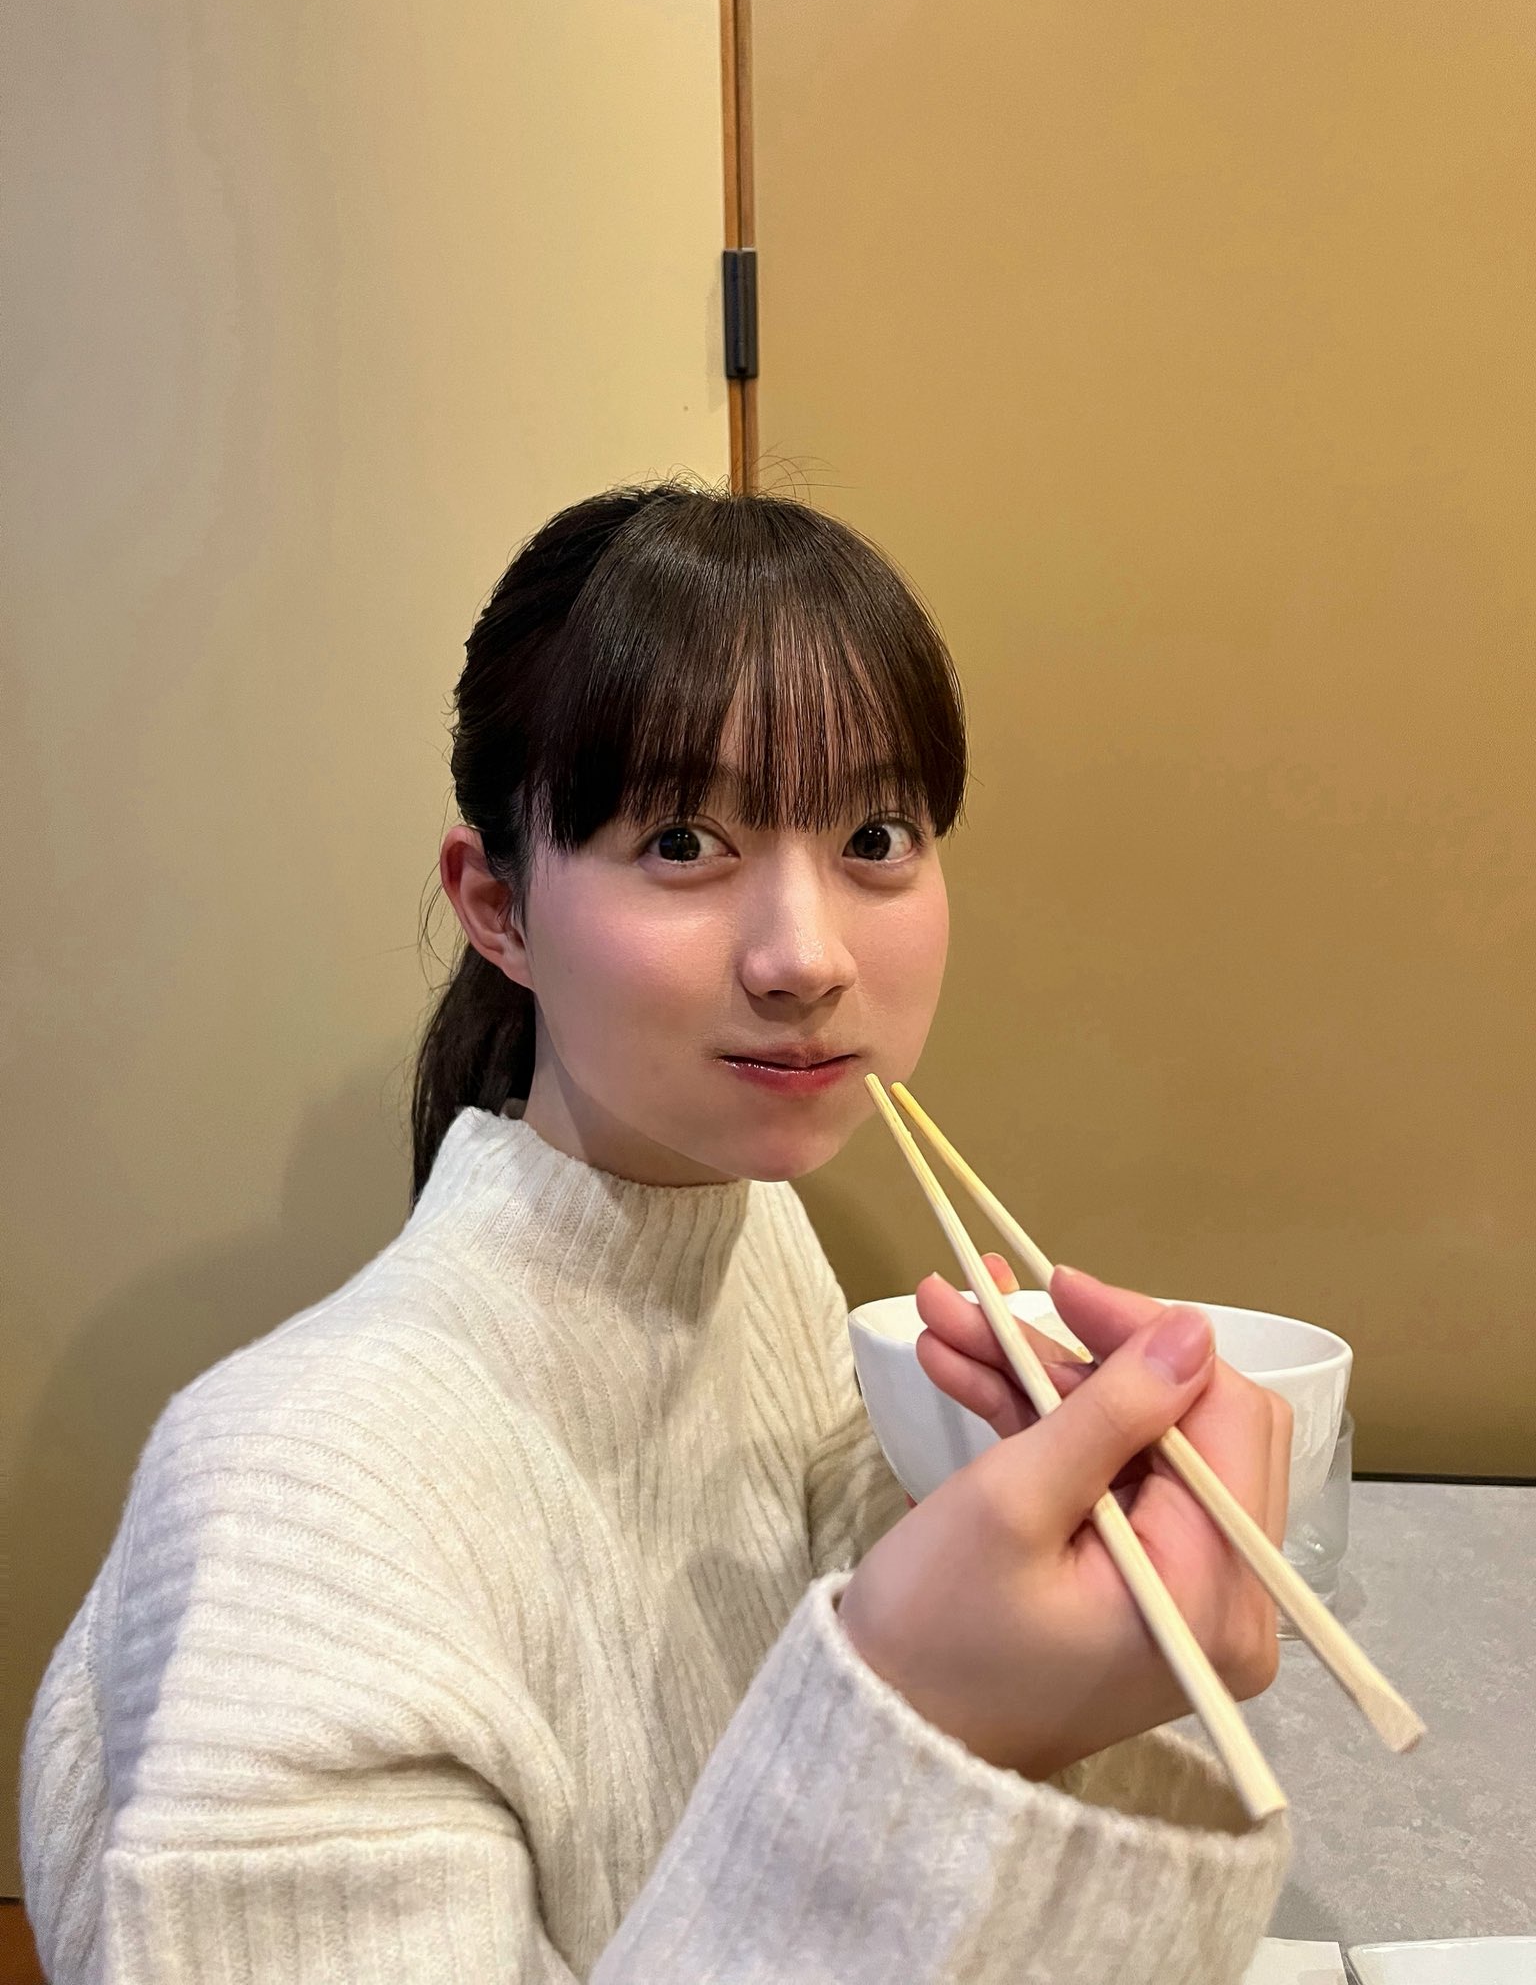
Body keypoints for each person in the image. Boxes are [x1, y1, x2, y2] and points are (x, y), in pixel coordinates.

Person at [21, 482, 1292, 1983]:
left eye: (877, 834)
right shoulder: (292, 1509)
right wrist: (920, 1728)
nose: (806, 958)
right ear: (498, 907)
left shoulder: (759, 1240)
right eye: (684, 841)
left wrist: (980, 1505)